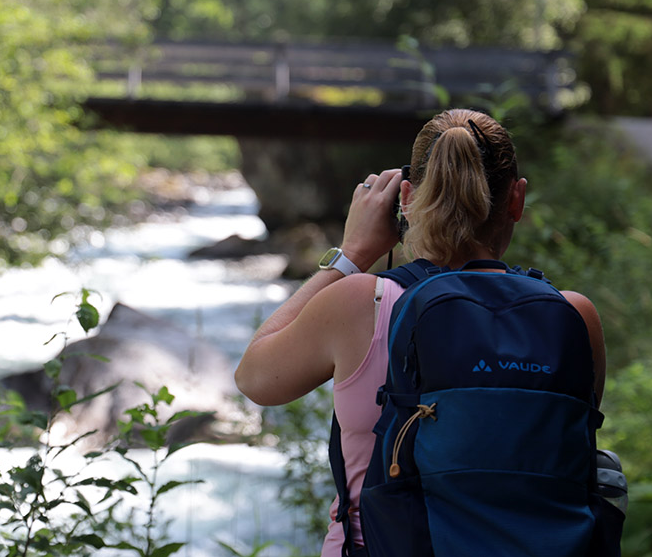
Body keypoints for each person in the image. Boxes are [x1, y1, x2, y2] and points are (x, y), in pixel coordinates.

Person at [234, 108, 606, 557]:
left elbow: (254, 378)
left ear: (405, 199)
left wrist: (352, 254)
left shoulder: (360, 303)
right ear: (517, 200)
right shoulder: (573, 316)